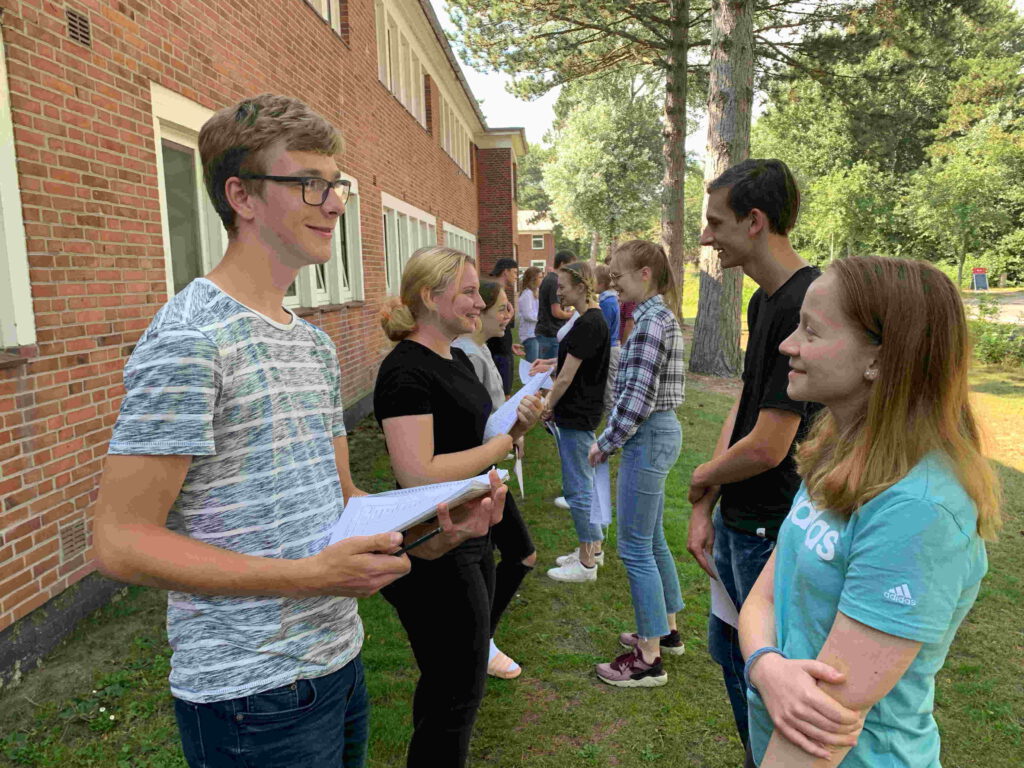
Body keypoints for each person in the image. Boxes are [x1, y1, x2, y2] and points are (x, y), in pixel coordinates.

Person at [91, 94, 428, 767]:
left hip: (339, 659)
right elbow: (120, 541)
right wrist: (307, 577)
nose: (333, 203)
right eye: (307, 183)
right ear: (241, 196)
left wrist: (441, 521)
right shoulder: (191, 340)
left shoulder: (312, 343)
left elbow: (343, 502)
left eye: (335, 185)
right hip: (248, 695)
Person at [739, 256, 1001, 768]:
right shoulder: (839, 451)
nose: (787, 345)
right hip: (773, 733)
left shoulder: (918, 509)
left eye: (811, 332)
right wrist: (766, 668)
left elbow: (823, 726)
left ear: (880, 360)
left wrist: (767, 672)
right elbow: (761, 599)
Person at [374, 246, 543, 768]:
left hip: (471, 534)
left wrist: (514, 426)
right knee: (455, 696)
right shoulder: (405, 370)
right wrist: (497, 451)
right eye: (469, 291)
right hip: (436, 551)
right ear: (430, 295)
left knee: (453, 688)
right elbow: (418, 471)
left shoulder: (456, 358)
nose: (482, 300)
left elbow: (472, 435)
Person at [685, 158, 819, 763]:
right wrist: (706, 502)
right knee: (732, 661)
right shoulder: (764, 301)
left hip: (771, 526)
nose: (707, 237)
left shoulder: (804, 305)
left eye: (715, 222)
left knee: (765, 687)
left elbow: (770, 445)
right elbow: (745, 401)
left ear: (756, 222)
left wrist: (702, 476)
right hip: (739, 519)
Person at [588, 240, 685, 688]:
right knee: (653, 538)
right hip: (656, 434)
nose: (613, 282)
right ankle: (666, 631)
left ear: (645, 273)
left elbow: (637, 398)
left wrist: (605, 443)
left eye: (619, 276)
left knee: (634, 547)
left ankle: (647, 658)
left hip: (648, 437)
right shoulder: (654, 317)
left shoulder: (650, 323)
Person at [453, 280, 538, 679]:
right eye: (501, 308)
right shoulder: (466, 354)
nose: (508, 316)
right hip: (480, 474)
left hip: (489, 469)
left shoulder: (479, 350)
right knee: (518, 555)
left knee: (511, 556)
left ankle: (481, 639)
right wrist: (510, 433)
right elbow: (479, 424)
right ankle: (480, 641)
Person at [537, 261, 610, 583]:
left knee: (579, 489)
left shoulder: (588, 323)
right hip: (582, 412)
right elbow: (571, 362)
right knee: (587, 485)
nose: (559, 291)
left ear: (581, 287)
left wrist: (545, 404)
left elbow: (566, 377)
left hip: (577, 415)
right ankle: (592, 550)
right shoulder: (589, 321)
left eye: (564, 285)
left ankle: (586, 564)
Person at [485, 257, 524, 395]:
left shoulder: (500, 292)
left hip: (503, 350)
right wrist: (510, 315)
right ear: (505, 271)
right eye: (514, 272)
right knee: (502, 396)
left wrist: (509, 345)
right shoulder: (493, 293)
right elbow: (490, 323)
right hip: (497, 354)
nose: (516, 277)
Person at [535, 250, 577, 360]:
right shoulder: (554, 281)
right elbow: (556, 312)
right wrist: (572, 315)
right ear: (563, 264)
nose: (572, 270)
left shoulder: (548, 279)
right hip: (551, 334)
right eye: (571, 266)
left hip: (546, 333)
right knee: (551, 373)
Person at [594, 264, 621, 418]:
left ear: (602, 283)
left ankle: (612, 416)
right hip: (611, 347)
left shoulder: (607, 302)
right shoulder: (609, 300)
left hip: (610, 348)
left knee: (609, 385)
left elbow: (603, 330)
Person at [517, 266, 542, 363]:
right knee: (532, 365)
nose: (541, 279)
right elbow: (528, 315)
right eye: (539, 277)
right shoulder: (527, 294)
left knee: (536, 364)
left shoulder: (535, 292)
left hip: (535, 333)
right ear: (533, 279)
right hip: (529, 335)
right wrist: (541, 317)